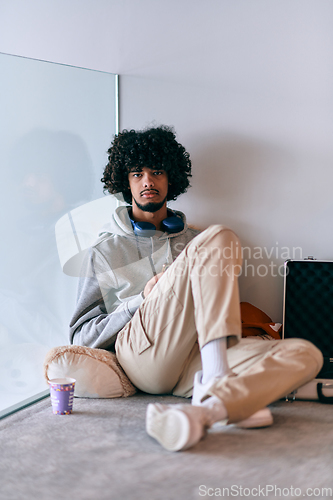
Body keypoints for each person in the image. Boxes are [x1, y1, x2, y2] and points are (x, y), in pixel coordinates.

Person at [69, 126, 323, 452]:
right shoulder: (103, 252)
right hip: (143, 356)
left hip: (194, 359)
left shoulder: (194, 241)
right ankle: (219, 378)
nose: (148, 181)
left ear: (170, 178)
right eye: (137, 174)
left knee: (306, 354)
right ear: (125, 182)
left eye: (157, 172)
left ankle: (209, 409)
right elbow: (79, 336)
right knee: (221, 236)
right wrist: (140, 300)